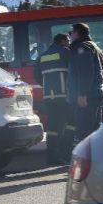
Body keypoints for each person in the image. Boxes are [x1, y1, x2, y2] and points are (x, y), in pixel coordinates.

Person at [68, 22, 103, 147]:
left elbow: (86, 72)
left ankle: (87, 160)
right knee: (95, 128)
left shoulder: (82, 48)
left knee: (84, 129)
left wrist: (82, 94)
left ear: (77, 33)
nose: (69, 36)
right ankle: (97, 157)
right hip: (97, 92)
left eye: (71, 33)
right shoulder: (94, 47)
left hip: (88, 95)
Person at [37, 33, 71, 165]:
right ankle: (63, 155)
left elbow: (38, 76)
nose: (69, 42)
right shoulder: (66, 52)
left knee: (52, 127)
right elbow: (73, 72)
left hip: (49, 97)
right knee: (66, 125)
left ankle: (51, 157)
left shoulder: (42, 56)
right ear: (62, 41)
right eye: (67, 40)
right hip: (65, 96)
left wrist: (49, 87)